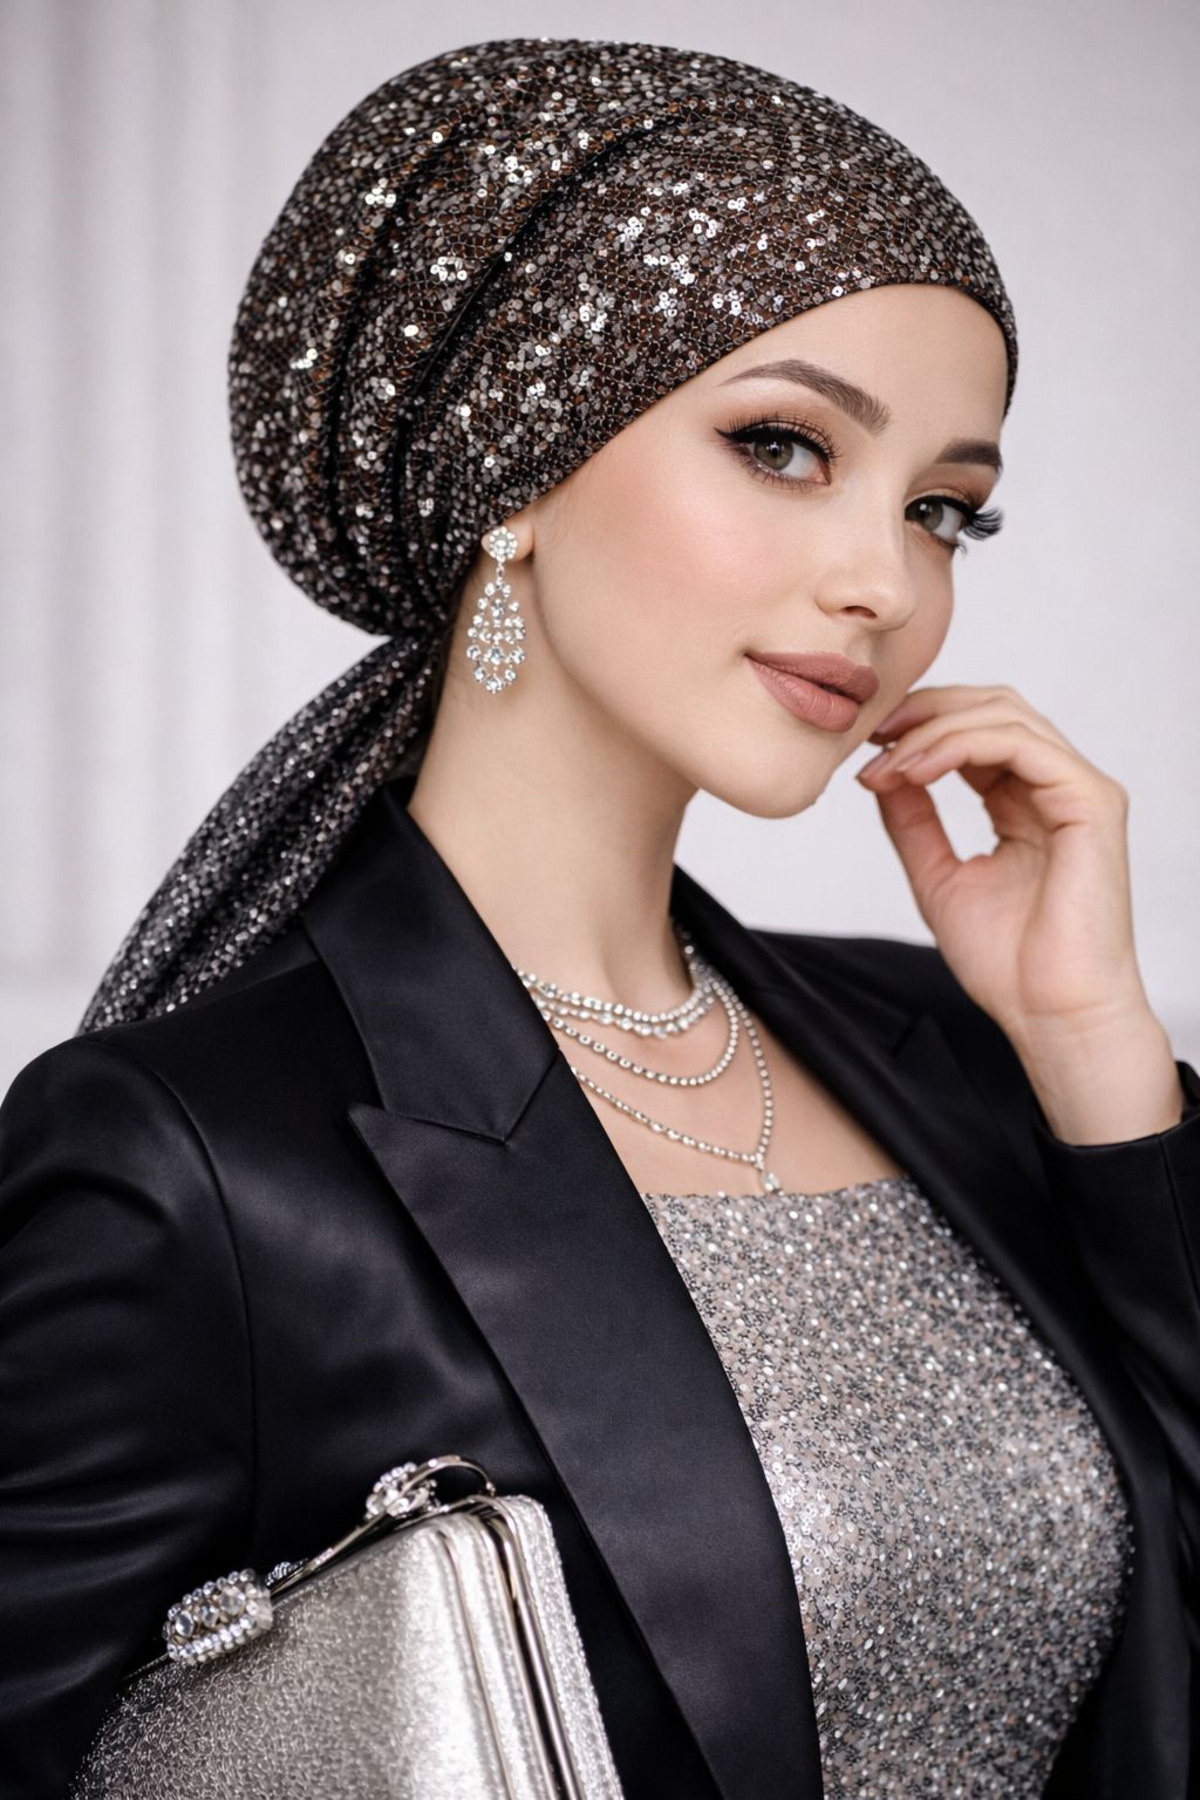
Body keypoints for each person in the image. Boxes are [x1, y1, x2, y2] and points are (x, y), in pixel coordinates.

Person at [1, 35, 1197, 1800]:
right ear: (518, 467)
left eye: (946, 510)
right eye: (784, 446)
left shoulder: (962, 1056)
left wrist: (1097, 1054)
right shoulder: (194, 1161)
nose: (884, 580)